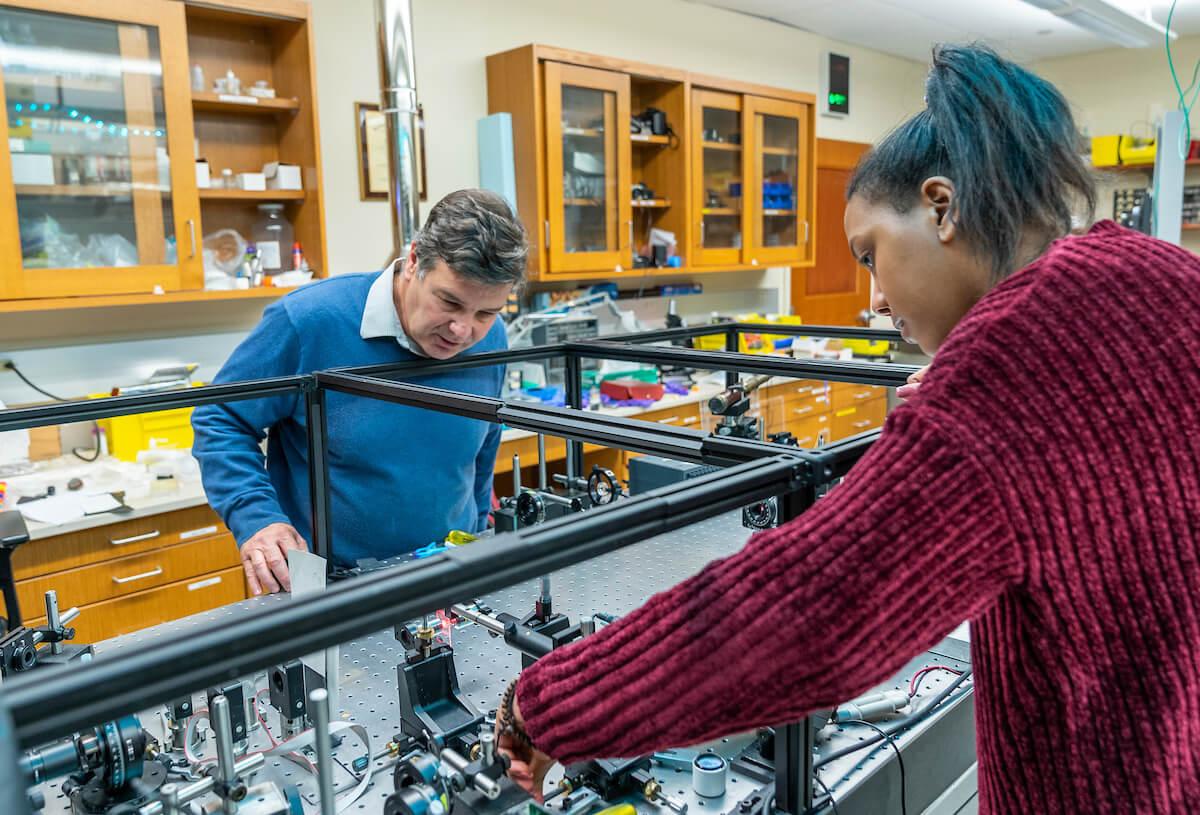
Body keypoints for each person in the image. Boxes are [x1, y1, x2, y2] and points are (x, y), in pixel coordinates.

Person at [494, 45, 1200, 813]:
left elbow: (808, 613)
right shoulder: (1163, 276)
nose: (875, 300)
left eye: (871, 254)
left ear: (942, 207)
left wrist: (554, 700)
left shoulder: (1008, 360)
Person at [193, 189, 527, 595]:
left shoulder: (490, 341)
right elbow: (220, 417)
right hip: (325, 585)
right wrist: (257, 518)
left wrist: (475, 535)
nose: (463, 330)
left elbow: (482, 447)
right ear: (415, 260)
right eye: (449, 302)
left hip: (447, 572)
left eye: (485, 313)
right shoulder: (310, 321)